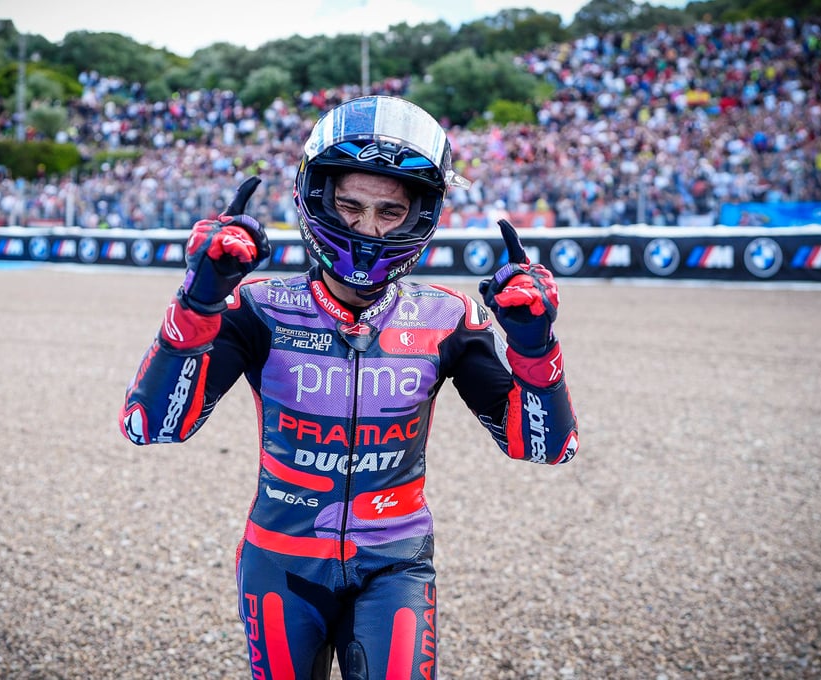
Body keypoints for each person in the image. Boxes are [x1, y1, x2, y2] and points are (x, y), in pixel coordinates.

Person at [120, 95, 579, 680]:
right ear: (318, 198)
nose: (368, 228)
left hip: (396, 566)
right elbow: (151, 426)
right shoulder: (258, 308)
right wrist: (197, 304)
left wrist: (536, 350)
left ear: (419, 214)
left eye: (390, 211)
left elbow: (544, 448)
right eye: (350, 205)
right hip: (281, 564)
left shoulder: (449, 318)